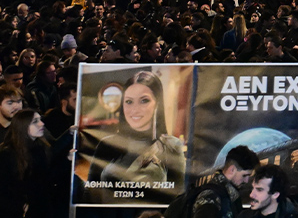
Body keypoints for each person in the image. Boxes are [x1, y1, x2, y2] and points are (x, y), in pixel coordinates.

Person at [86, 69, 186, 204]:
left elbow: (178, 199)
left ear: (157, 103)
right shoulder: (107, 143)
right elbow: (90, 193)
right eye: (129, 102)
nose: (135, 109)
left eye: (144, 100)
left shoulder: (171, 146)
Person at [0, 109, 53, 218]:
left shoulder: (39, 149)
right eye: (35, 121)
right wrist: (18, 206)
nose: (41, 123)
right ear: (23, 126)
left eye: (40, 120)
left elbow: (44, 179)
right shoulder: (8, 154)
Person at [175, 144, 259, 218]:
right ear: (232, 170)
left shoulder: (225, 195)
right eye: (244, 175)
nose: (247, 180)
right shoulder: (211, 195)